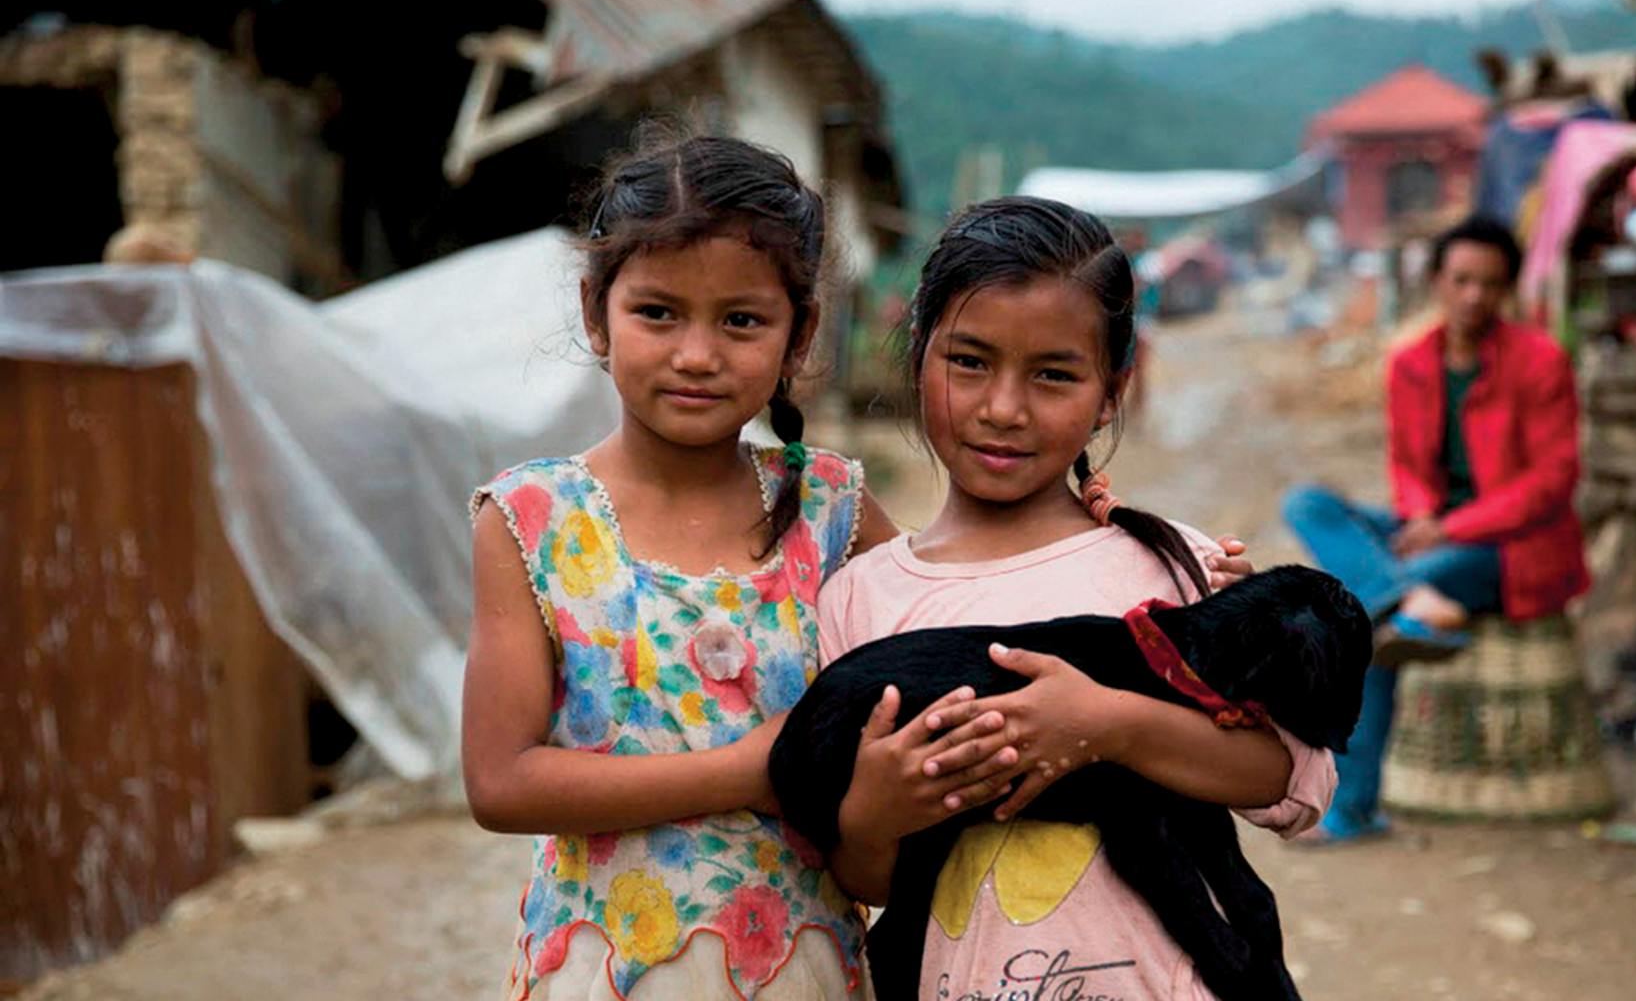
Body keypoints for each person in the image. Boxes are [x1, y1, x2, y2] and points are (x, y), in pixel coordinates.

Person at [462, 137, 1257, 999]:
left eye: (741, 320)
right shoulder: (534, 520)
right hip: (603, 968)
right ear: (594, 311)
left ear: (799, 334)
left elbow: (962, 609)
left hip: (806, 960)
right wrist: (750, 771)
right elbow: (503, 782)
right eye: (657, 313)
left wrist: (1115, 539)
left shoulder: (828, 509)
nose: (697, 353)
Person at [819, 197, 1335, 999]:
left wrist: (1109, 726)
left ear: (1110, 391)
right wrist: (872, 812)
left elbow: (1293, 783)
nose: (1003, 408)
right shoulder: (864, 600)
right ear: (915, 358)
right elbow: (864, 879)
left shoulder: (1173, 569)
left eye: (1053, 374)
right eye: (968, 362)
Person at [1281, 214, 1591, 844]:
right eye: (1462, 280)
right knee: (1306, 503)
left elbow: (1551, 483)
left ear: (1506, 290)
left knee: (1359, 619)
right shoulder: (1412, 362)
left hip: (1513, 546)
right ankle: (1404, 599)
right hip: (1434, 531)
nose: (1474, 295)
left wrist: (1450, 528)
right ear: (1438, 282)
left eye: (1490, 283)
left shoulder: (1540, 361)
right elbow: (1406, 462)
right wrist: (1422, 515)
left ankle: (1352, 809)